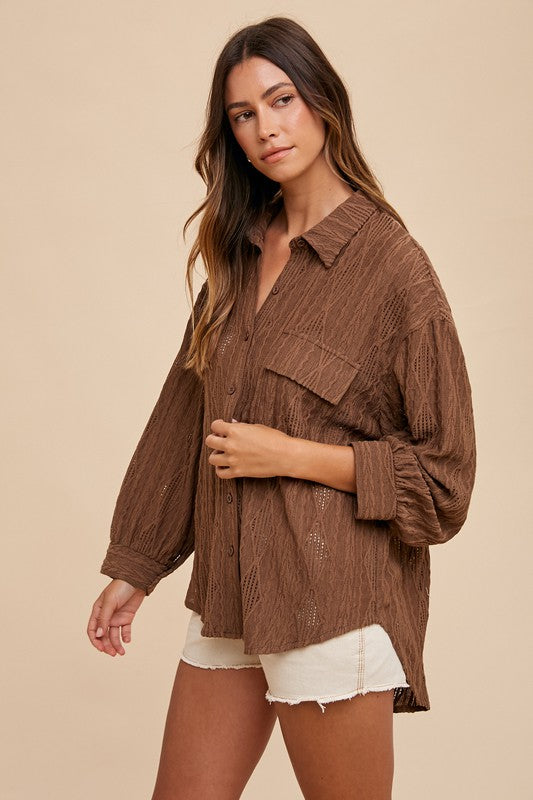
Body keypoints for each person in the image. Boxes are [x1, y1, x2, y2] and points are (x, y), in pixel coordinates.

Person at [87, 16, 476, 800]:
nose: (265, 127)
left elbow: (443, 481)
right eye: (242, 114)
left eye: (281, 100)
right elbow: (182, 423)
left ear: (322, 101)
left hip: (332, 602)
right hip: (229, 593)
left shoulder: (393, 268)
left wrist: (292, 456)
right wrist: (136, 564)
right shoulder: (236, 256)